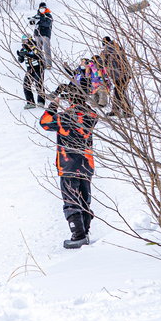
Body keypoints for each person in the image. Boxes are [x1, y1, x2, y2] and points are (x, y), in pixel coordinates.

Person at [39, 84, 98, 249]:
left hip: (68, 165)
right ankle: (84, 233)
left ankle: (78, 235)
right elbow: (91, 113)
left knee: (71, 201)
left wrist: (54, 104)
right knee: (85, 200)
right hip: (86, 165)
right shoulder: (91, 115)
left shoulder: (64, 117)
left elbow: (44, 122)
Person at [100, 37, 132, 117]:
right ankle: (116, 110)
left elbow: (103, 62)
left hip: (119, 75)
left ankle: (127, 111)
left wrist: (102, 56)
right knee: (118, 91)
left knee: (120, 92)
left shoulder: (108, 50)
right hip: (125, 74)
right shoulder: (117, 47)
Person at [17, 35, 45, 108]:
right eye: (23, 41)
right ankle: (30, 102)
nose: (24, 42)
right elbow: (21, 60)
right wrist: (20, 56)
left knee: (38, 84)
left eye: (25, 40)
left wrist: (28, 54)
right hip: (29, 70)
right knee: (26, 84)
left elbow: (37, 56)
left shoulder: (35, 46)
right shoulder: (23, 48)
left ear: (29, 39)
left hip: (38, 68)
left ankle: (41, 101)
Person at [28, 3, 54, 67]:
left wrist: (40, 20)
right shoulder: (37, 15)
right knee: (38, 50)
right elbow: (32, 23)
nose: (41, 9)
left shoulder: (48, 15)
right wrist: (32, 20)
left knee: (46, 49)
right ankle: (41, 63)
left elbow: (48, 24)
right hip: (37, 34)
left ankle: (48, 64)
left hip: (45, 34)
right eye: (40, 8)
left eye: (43, 8)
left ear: (45, 8)